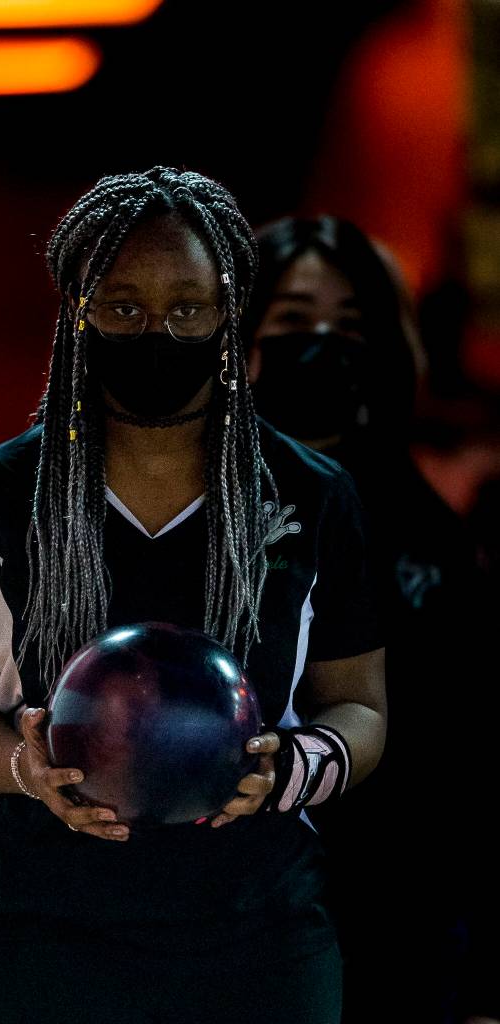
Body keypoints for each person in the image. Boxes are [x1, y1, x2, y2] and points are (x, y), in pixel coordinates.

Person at [0, 168, 386, 1024]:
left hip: (260, 934)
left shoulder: (311, 495)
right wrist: (29, 770)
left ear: (228, 319)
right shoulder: (0, 495)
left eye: (188, 308)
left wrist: (289, 773)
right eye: (121, 306)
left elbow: (360, 707)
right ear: (76, 315)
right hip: (46, 933)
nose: (158, 330)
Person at [243, 214, 497, 1024]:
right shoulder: (186, 517)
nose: (320, 343)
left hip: (398, 922)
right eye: (290, 323)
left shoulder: (425, 531)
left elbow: (471, 758)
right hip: (237, 923)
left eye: (348, 326)